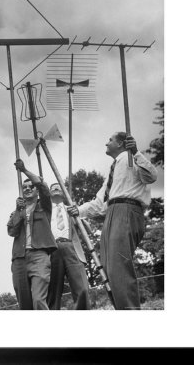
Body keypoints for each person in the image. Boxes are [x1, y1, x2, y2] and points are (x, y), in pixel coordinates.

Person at [67, 132, 157, 310]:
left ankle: (130, 312)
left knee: (118, 266)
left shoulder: (132, 157)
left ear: (121, 143)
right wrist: (79, 210)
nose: (106, 143)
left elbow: (151, 176)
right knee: (107, 268)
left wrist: (136, 153)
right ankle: (121, 309)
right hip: (112, 213)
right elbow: (100, 203)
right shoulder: (114, 169)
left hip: (127, 210)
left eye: (110, 140)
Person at [7, 159, 57, 310]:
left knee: (38, 300)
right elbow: (11, 231)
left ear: (36, 191)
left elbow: (43, 185)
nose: (28, 189)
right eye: (24, 187)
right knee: (24, 304)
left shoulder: (44, 205)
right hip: (19, 259)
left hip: (39, 256)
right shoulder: (16, 211)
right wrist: (18, 211)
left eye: (31, 187)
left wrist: (24, 170)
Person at [47, 182, 90, 310]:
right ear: (49, 193)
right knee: (52, 295)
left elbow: (88, 230)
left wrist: (77, 216)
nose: (55, 188)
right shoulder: (45, 211)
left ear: (64, 192)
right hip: (52, 251)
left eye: (59, 187)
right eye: (52, 187)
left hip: (72, 248)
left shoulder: (71, 209)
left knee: (82, 290)